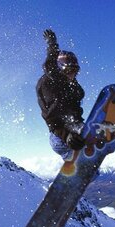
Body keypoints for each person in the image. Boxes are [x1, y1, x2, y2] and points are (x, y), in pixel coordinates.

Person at [36, 29, 86, 161]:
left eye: (75, 70)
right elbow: (52, 118)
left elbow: (53, 61)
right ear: (60, 69)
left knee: (93, 170)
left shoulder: (71, 85)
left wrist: (52, 44)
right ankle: (74, 163)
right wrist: (66, 136)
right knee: (81, 163)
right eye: (69, 70)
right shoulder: (48, 84)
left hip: (74, 130)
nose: (72, 74)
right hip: (59, 137)